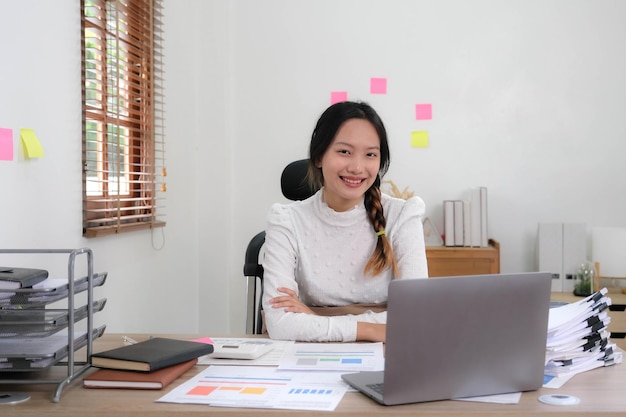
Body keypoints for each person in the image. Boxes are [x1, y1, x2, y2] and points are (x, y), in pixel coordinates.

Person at [261, 101, 428, 343]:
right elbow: (281, 324)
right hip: (308, 356)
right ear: (319, 156)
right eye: (344, 152)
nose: (357, 167)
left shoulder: (403, 215)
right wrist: (373, 330)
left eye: (370, 154)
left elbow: (417, 317)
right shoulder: (286, 220)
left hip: (385, 354)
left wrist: (313, 319)